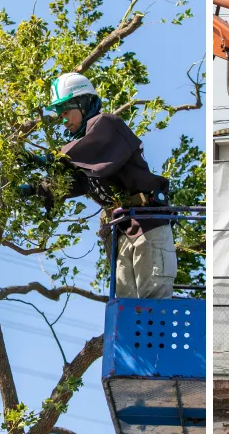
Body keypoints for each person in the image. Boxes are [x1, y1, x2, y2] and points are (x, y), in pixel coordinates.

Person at [22, 72, 177, 299]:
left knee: (152, 303)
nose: (64, 120)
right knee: (126, 304)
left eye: (66, 112)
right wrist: (35, 188)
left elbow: (86, 154)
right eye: (60, 115)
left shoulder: (106, 125)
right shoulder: (84, 152)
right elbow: (76, 181)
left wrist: (45, 159)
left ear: (83, 104)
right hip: (125, 227)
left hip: (149, 222)